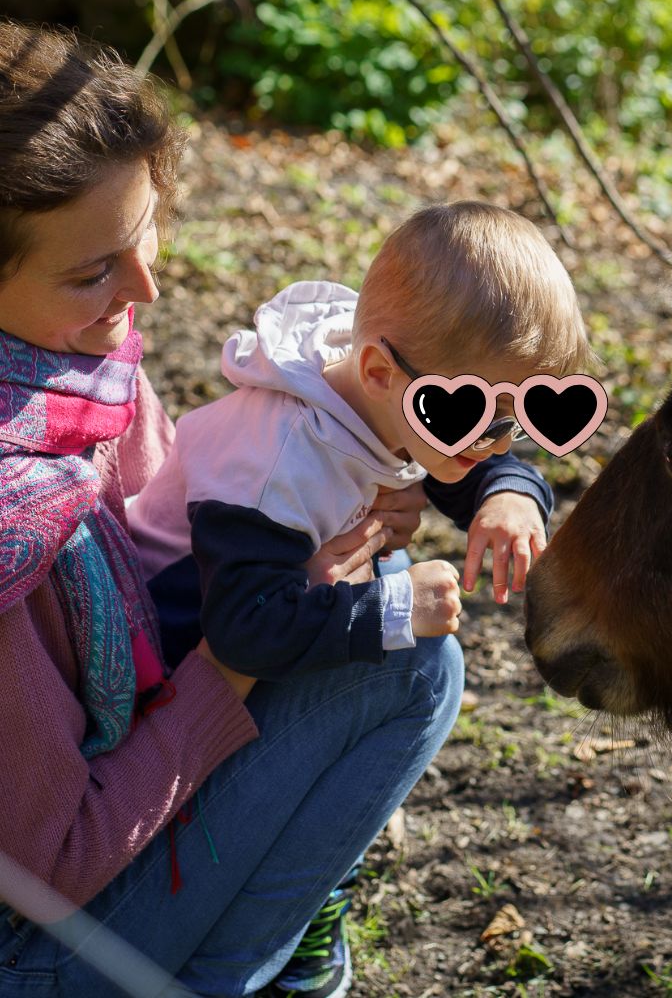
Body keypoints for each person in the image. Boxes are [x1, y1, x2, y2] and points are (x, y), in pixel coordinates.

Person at [0, 20, 573, 998]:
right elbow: (49, 867)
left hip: (120, 767)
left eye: (144, 238)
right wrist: (248, 648)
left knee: (374, 601)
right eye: (94, 271)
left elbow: (170, 544)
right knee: (411, 660)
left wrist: (496, 492)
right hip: (35, 950)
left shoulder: (72, 368)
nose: (146, 290)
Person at [125, 202, 594, 995]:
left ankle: (318, 892)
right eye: (476, 416)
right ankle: (274, 919)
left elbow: (463, 458)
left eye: (523, 417)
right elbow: (241, 629)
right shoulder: (276, 464)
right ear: (379, 372)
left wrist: (509, 492)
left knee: (386, 588)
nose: (497, 440)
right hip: (174, 677)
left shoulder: (391, 392)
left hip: (266, 625)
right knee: (402, 639)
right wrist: (394, 606)